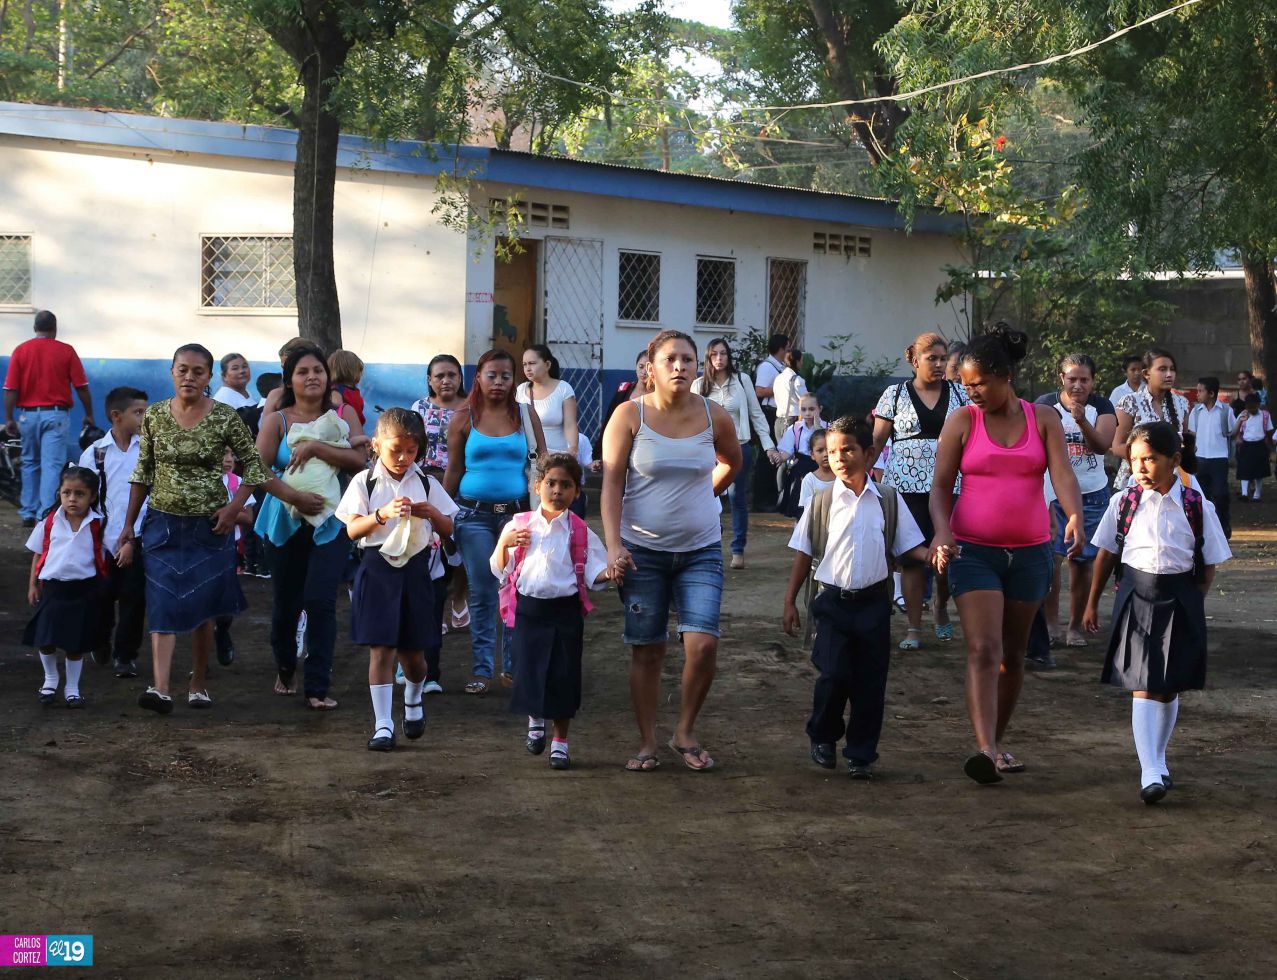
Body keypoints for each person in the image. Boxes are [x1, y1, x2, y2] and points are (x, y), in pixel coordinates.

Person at [930, 327, 1084, 784]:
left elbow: (1063, 474)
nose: (970, 391)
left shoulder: (1044, 419)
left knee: (1013, 655)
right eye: (966, 383)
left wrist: (1073, 514)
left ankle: (995, 742)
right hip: (973, 551)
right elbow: (940, 487)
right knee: (983, 648)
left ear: (1006, 377)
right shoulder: (962, 420)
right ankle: (984, 749)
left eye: (978, 383)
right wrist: (942, 531)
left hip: (1033, 553)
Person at [602, 330, 742, 772]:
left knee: (702, 646)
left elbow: (732, 463)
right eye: (671, 360)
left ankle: (684, 730)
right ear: (651, 368)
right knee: (648, 649)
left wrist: (707, 497)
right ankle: (647, 741)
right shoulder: (629, 416)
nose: (680, 366)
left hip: (701, 550)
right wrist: (612, 546)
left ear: (699, 366)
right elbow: (611, 484)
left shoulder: (715, 416)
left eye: (688, 359)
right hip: (642, 553)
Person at [1083, 422, 1231, 804]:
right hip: (1136, 593)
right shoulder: (1124, 502)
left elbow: (1209, 561)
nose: (1141, 468)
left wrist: (1194, 600)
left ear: (1175, 460)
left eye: (1150, 459)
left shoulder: (1197, 505)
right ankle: (1149, 770)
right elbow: (1105, 554)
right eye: (1135, 460)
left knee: (1169, 685)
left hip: (1181, 595)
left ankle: (1159, 760)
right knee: (1144, 682)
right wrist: (1091, 602)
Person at [118, 343, 268, 715]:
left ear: (208, 377)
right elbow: (143, 473)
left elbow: (253, 467)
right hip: (162, 525)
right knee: (162, 603)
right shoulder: (153, 416)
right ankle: (160, 688)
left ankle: (197, 684)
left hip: (210, 528)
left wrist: (234, 510)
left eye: (198, 371)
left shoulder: (225, 418)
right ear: (172, 372)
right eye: (182, 369)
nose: (189, 377)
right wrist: (128, 526)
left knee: (204, 607)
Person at [782, 416, 928, 778]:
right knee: (833, 674)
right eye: (833, 451)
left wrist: (934, 555)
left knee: (870, 683)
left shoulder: (888, 501)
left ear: (871, 452)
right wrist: (789, 601)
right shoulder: (821, 502)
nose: (840, 457)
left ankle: (861, 754)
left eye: (848, 449)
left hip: (874, 605)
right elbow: (803, 553)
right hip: (831, 603)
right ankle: (823, 735)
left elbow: (911, 547)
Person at [337, 408, 457, 751]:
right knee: (382, 648)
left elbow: (449, 529)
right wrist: (381, 515)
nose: (404, 458)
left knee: (413, 656)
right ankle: (383, 725)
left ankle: (414, 698)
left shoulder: (426, 483)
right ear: (376, 445)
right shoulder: (365, 481)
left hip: (415, 571)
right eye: (395, 450)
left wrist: (432, 513)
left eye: (411, 450)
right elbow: (351, 529)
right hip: (376, 568)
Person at [253, 345, 367, 707]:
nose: (312, 377)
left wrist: (317, 447)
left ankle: (317, 687)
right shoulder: (277, 420)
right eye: (303, 371)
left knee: (320, 602)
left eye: (318, 370)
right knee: (286, 604)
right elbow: (257, 470)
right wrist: (294, 497)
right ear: (290, 379)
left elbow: (358, 460)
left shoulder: (342, 415)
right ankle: (286, 665)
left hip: (330, 523)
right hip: (284, 522)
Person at [491, 452, 610, 771]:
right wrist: (506, 544)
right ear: (536, 485)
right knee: (529, 670)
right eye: (551, 483)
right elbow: (499, 569)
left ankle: (561, 741)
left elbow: (594, 571)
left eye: (566, 485)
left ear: (577, 492)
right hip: (529, 610)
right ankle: (535, 721)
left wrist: (609, 573)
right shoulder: (518, 525)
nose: (557, 490)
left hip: (565, 612)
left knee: (564, 676)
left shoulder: (581, 531)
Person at [445, 349, 546, 695]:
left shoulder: (526, 416)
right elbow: (454, 470)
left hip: (518, 516)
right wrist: (442, 513)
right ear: (479, 378)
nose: (499, 382)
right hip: (473, 516)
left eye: (506, 376)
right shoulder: (463, 417)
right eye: (492, 375)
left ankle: (513, 670)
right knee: (484, 590)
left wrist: (547, 515)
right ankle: (482, 671)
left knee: (516, 589)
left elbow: (542, 467)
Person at [872, 332, 969, 650]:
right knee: (911, 559)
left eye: (944, 359)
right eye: (933, 359)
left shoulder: (960, 394)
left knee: (947, 557)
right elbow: (876, 443)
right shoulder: (894, 395)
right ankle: (914, 627)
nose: (940, 365)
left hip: (949, 487)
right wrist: (859, 479)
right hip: (903, 489)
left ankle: (940, 606)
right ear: (914, 361)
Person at [1034, 354, 1118, 647]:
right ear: (1061, 379)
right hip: (1052, 494)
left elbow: (1102, 446)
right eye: (1072, 379)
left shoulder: (1102, 406)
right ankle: (1050, 623)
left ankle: (1074, 626)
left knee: (1082, 563)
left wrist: (1081, 420)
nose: (1078, 385)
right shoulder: (1045, 405)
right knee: (1051, 561)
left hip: (1092, 495)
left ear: (1093, 381)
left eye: (1085, 380)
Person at [691, 338, 781, 568]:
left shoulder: (742, 380)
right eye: (714, 354)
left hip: (738, 447)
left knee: (736, 498)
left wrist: (769, 445)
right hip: (706, 449)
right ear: (708, 358)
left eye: (723, 354)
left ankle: (737, 549)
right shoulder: (698, 385)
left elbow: (756, 414)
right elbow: (690, 419)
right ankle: (708, 546)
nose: (719, 358)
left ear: (729, 357)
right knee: (705, 498)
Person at [79, 386, 148, 678]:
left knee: (135, 597)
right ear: (116, 416)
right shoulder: (95, 454)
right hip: (103, 541)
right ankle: (101, 639)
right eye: (138, 412)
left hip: (140, 537)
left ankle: (125, 655)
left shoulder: (149, 450)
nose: (145, 418)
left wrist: (133, 536)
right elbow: (82, 497)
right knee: (102, 597)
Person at [25, 466, 108, 708]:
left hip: (83, 591)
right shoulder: (49, 523)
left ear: (92, 496)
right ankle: (50, 679)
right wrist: (33, 585)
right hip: (52, 589)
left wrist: (125, 547)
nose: (72, 499)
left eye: (80, 494)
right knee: (46, 638)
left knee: (75, 642)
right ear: (59, 493)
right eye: (67, 493)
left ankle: (73, 687)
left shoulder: (99, 525)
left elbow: (112, 548)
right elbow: (38, 554)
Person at [3, 310, 96, 526]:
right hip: (56, 414)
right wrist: (89, 413)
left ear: (35, 328)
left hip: (28, 416)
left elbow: (10, 389)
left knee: (29, 463)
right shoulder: (66, 351)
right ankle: (44, 514)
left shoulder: (21, 350)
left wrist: (9, 417)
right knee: (52, 465)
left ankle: (27, 511)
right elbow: (81, 387)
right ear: (54, 329)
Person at [411, 353, 469, 633]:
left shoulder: (471, 408)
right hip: (424, 485)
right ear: (429, 381)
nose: (446, 381)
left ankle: (459, 598)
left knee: (457, 545)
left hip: (460, 485)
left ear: (460, 379)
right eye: (440, 376)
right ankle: (436, 609)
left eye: (452, 375)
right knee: (428, 548)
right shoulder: (419, 407)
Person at [1111, 348, 1190, 490]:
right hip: (1136, 481)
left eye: (1172, 370)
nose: (1169, 374)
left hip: (1170, 483)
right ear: (1146, 373)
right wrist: (1151, 459)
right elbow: (1117, 447)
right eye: (1162, 369)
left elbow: (1183, 443)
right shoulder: (1130, 402)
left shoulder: (1182, 403)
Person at [212, 447, 257, 670]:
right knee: (200, 602)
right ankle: (200, 660)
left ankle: (222, 632)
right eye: (223, 453)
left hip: (227, 548)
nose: (228, 459)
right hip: (200, 546)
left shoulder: (236, 482)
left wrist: (225, 511)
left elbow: (248, 517)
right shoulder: (197, 481)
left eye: (231, 454)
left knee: (226, 603)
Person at [1189, 376, 1233, 537]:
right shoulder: (1196, 412)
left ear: (1212, 393)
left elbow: (1231, 431)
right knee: (1201, 495)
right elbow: (1193, 434)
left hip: (1219, 458)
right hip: (1200, 458)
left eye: (1201, 391)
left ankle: (1223, 526)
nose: (1197, 394)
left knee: (1220, 494)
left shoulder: (1226, 411)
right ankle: (1204, 530)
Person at [753, 333, 792, 509]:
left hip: (778, 414)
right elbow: (759, 391)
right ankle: (761, 499)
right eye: (787, 349)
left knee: (776, 456)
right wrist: (781, 389)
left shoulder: (780, 366)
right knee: (766, 456)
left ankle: (770, 496)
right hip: (769, 414)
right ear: (781, 349)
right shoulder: (767, 367)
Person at [518, 344, 578, 456]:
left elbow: (570, 425)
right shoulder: (521, 390)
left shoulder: (564, 388)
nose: (528, 368)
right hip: (528, 456)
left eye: (532, 363)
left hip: (556, 457)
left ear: (547, 365)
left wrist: (573, 449)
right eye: (524, 364)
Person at [776, 393, 827, 519]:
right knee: (799, 504)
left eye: (811, 409)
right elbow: (788, 451)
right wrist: (780, 457)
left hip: (821, 467)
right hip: (801, 468)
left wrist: (818, 429)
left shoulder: (827, 427)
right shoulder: (795, 428)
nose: (808, 413)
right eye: (803, 409)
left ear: (819, 409)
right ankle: (799, 529)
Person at [598, 350, 649, 456]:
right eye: (640, 366)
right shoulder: (624, 389)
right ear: (635, 367)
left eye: (648, 368)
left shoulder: (660, 395)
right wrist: (598, 454)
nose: (644, 372)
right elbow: (609, 421)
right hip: (622, 447)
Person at [1233, 392, 1273, 501]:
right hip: (1246, 445)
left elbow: (1269, 430)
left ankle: (1257, 493)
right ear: (1246, 406)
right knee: (1244, 470)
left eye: (1254, 407)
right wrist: (1238, 439)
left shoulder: (1265, 415)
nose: (1251, 410)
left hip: (1260, 444)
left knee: (1259, 471)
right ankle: (1245, 493)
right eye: (1249, 407)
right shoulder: (1243, 415)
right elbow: (1236, 431)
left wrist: (1269, 443)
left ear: (1259, 404)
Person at [796, 428, 834, 515]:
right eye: (820, 450)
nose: (825, 454)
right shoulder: (809, 480)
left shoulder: (843, 477)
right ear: (812, 455)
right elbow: (805, 510)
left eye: (830, 450)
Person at [327, 349, 367, 427]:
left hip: (356, 427)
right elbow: (336, 415)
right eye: (359, 370)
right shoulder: (336, 391)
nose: (361, 374)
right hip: (346, 432)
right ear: (349, 370)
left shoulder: (354, 390)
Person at [773, 348, 808, 431]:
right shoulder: (797, 380)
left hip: (778, 421)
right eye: (801, 360)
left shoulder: (778, 378)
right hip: (793, 420)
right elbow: (806, 401)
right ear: (797, 361)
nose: (802, 363)